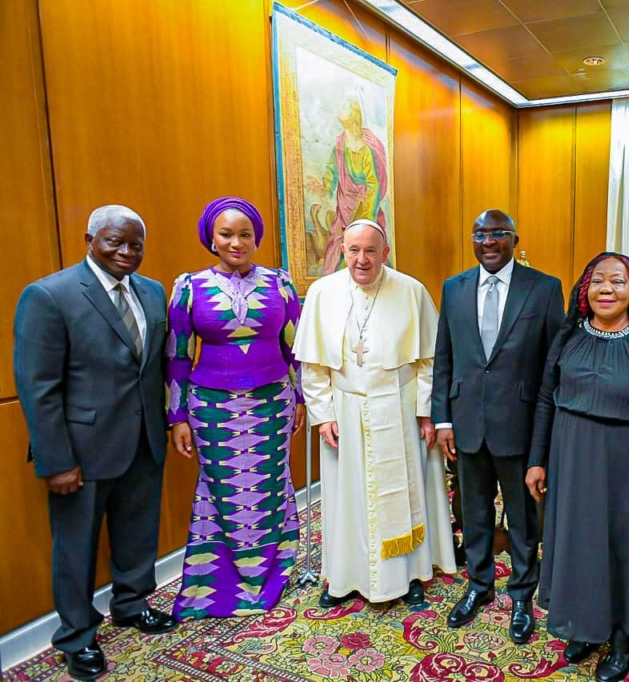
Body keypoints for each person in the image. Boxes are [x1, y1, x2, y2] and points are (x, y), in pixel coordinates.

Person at [14, 205, 175, 680]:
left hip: (144, 440)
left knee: (138, 533)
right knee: (76, 547)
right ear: (90, 239)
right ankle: (76, 637)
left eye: (135, 244)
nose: (127, 253)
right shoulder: (49, 295)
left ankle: (131, 604)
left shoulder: (152, 291)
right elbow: (37, 386)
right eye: (115, 243)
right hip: (80, 452)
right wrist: (55, 460)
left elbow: (153, 367)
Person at [526, 252, 629, 682]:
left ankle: (626, 636)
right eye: (597, 282)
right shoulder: (569, 336)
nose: (606, 290)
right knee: (580, 542)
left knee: (624, 548)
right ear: (584, 290)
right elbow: (544, 397)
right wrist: (537, 459)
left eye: (617, 282)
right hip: (573, 457)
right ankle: (587, 625)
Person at [293, 218, 456, 606]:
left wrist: (425, 411)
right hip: (346, 412)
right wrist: (323, 415)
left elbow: (430, 361)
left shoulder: (411, 291)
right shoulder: (322, 293)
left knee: (407, 492)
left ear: (385, 253)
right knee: (347, 496)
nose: (362, 260)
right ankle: (345, 577)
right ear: (342, 251)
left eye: (370, 251)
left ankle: (411, 574)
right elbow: (313, 368)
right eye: (354, 250)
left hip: (399, 409)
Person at [165, 197, 305, 619]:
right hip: (211, 408)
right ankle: (216, 585)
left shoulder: (280, 282)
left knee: (269, 485)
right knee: (221, 489)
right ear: (212, 237)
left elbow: (294, 346)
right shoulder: (188, 287)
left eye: (245, 234)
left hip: (272, 403)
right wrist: (177, 417)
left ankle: (273, 572)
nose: (236, 242)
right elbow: (176, 356)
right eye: (226, 234)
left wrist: (300, 398)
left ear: (256, 237)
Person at [431, 209, 564, 644]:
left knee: (524, 515)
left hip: (520, 425)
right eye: (480, 234)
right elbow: (445, 359)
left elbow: (552, 365)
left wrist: (547, 433)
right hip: (467, 422)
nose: (489, 241)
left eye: (498, 234)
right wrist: (443, 419)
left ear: (514, 238)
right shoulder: (454, 288)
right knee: (473, 510)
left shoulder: (543, 289)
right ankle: (479, 584)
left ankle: (523, 593)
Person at [305, 97, 390, 275]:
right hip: (345, 204)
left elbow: (373, 184)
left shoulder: (365, 150)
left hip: (364, 204)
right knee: (337, 246)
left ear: (354, 117)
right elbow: (331, 170)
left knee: (367, 247)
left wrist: (367, 217)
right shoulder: (340, 142)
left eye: (346, 107)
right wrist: (323, 186)